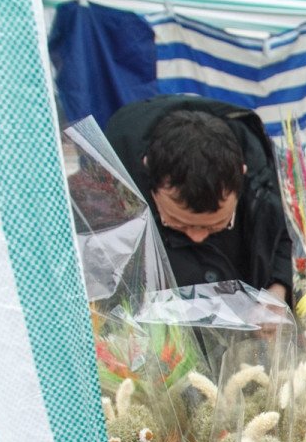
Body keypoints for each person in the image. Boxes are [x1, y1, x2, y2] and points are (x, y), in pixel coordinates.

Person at [105, 94, 292, 304]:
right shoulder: (109, 189)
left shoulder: (260, 175)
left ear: (243, 174)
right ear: (150, 176)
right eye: (179, 223)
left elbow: (287, 234)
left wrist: (278, 288)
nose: (197, 236)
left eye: (218, 225)